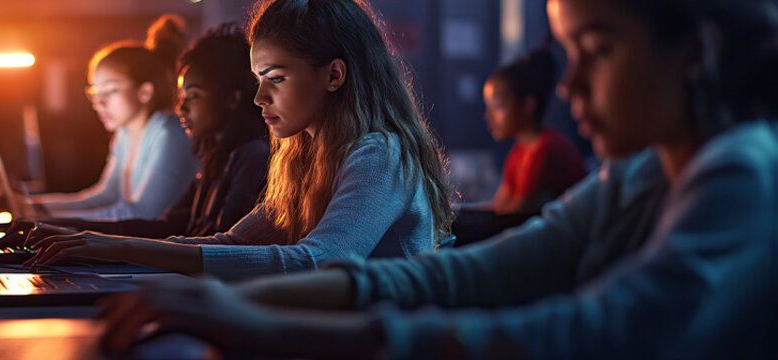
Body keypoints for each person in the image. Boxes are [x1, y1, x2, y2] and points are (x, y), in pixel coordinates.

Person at [95, 0, 778, 358]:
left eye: (594, 52)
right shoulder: (634, 175)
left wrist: (258, 320)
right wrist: (219, 303)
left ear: (695, 51)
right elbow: (462, 278)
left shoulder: (739, 174)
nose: (567, 85)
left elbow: (582, 334)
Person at [24, 0, 456, 281]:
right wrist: (101, 250)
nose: (258, 97)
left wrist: (117, 248)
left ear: (334, 75)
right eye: (257, 79)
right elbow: (232, 243)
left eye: (276, 79)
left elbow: (318, 262)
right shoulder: (307, 156)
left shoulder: (380, 153)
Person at [2, 24, 269, 244]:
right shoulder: (214, 159)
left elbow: (208, 244)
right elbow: (165, 224)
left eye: (111, 91)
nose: (181, 108)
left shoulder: (182, 135)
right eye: (95, 94)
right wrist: (44, 218)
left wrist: (60, 226)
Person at [30, 15, 198, 221]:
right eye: (95, 93)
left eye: (110, 91)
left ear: (145, 92)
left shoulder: (169, 132)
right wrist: (35, 208)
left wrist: (45, 220)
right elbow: (106, 197)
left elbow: (142, 215)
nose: (99, 103)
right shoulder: (124, 133)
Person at [483, 45, 587, 215]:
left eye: (497, 106)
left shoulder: (547, 149)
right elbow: (497, 207)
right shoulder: (520, 151)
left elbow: (513, 215)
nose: (488, 116)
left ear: (527, 106)